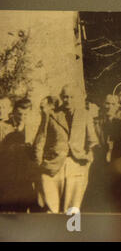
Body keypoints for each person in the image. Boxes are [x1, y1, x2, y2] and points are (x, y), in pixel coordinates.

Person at [33, 84, 98, 213]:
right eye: (65, 97)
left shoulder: (85, 115)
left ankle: (71, 231)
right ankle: (52, 231)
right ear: (61, 98)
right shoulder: (51, 115)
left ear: (77, 98)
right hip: (53, 165)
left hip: (76, 163)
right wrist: (38, 163)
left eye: (71, 97)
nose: (68, 100)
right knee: (51, 207)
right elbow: (40, 140)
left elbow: (92, 140)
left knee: (73, 208)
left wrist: (88, 159)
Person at [0, 98, 38, 212]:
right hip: (7, 175)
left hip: (25, 175)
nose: (22, 117)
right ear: (13, 112)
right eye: (19, 114)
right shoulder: (3, 127)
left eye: (26, 114)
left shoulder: (34, 128)